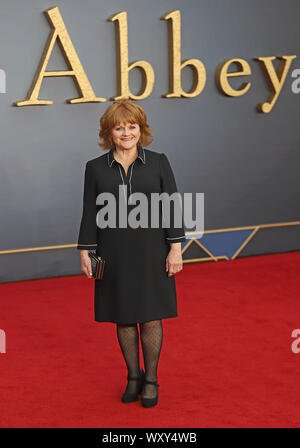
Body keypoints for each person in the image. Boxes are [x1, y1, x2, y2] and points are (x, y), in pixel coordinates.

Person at [77, 99, 186, 407]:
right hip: (114, 254)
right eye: (119, 127)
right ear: (109, 132)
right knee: (123, 317)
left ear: (141, 129)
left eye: (132, 127)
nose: (127, 133)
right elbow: (90, 212)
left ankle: (151, 379)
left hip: (153, 252)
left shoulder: (159, 161)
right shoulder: (95, 168)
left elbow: (172, 206)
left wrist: (175, 248)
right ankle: (133, 375)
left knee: (151, 317)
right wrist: (86, 251)